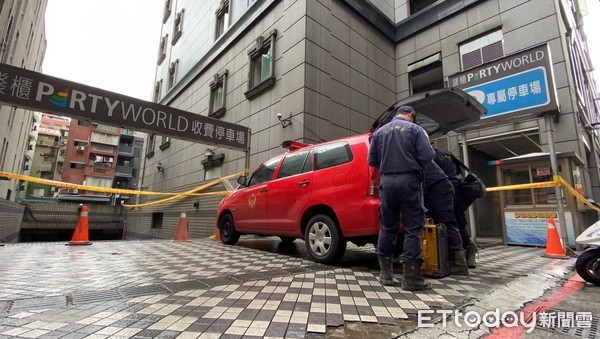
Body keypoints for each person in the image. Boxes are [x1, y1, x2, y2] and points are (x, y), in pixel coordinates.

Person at [368, 105, 434, 291]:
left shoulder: (379, 133)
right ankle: (411, 279)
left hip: (387, 182)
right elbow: (428, 155)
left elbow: (372, 160)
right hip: (409, 181)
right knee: (413, 228)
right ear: (411, 115)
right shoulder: (416, 129)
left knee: (387, 226)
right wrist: (414, 164)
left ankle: (386, 275)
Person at [433, 148, 478, 268]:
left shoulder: (430, 156)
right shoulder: (447, 154)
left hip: (442, 193)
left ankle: (458, 257)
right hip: (455, 193)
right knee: (458, 224)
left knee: (447, 224)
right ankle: (467, 252)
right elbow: (458, 173)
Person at [423, 160, 469, 275]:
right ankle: (444, 260)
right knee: (439, 224)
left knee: (448, 223)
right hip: (438, 187)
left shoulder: (414, 154)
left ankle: (460, 263)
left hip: (440, 188)